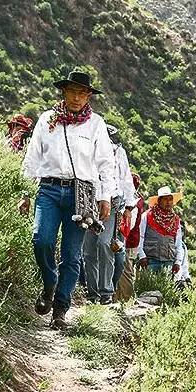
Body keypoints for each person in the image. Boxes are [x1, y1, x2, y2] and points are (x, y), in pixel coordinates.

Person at [19, 71, 116, 329]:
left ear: (88, 96)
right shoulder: (47, 120)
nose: (76, 97)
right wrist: (25, 192)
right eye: (72, 91)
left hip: (81, 195)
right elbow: (32, 158)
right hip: (49, 189)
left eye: (82, 93)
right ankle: (50, 283)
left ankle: (60, 309)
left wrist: (105, 197)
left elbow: (106, 163)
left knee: (72, 255)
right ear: (63, 92)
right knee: (41, 239)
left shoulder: (96, 124)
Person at [83, 123, 136, 305]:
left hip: (111, 202)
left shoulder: (117, 152)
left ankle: (105, 291)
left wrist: (129, 206)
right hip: (87, 201)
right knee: (88, 249)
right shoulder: (84, 150)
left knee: (105, 243)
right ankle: (92, 293)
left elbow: (125, 178)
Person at [137, 186, 184, 275]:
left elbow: (178, 242)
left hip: (169, 261)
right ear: (159, 201)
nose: (168, 202)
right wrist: (141, 256)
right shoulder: (147, 216)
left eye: (170, 199)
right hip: (149, 260)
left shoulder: (175, 220)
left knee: (165, 288)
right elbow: (140, 236)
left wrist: (177, 261)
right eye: (165, 199)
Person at [114, 173, 145, 302]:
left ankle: (126, 299)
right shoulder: (136, 199)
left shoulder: (133, 203)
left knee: (125, 271)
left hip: (128, 242)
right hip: (130, 242)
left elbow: (129, 226)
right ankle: (120, 298)